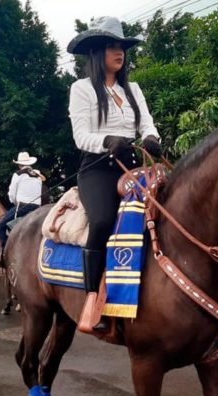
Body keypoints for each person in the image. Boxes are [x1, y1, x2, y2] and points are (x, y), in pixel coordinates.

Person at [66, 16, 161, 332]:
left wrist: (151, 138)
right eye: (111, 46)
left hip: (134, 165)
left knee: (165, 213)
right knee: (105, 220)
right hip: (98, 168)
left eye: (121, 46)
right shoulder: (81, 89)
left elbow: (147, 122)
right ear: (96, 52)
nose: (119, 52)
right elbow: (80, 136)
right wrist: (107, 140)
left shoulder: (132, 88)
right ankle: (93, 296)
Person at [0, 152, 43, 250]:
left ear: (19, 164)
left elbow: (12, 194)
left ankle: (5, 251)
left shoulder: (17, 175)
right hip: (38, 209)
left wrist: (14, 202)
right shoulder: (38, 176)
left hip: (22, 207)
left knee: (0, 226)